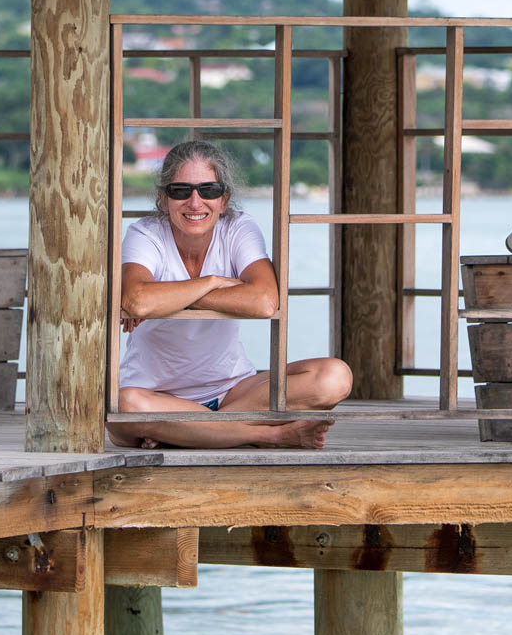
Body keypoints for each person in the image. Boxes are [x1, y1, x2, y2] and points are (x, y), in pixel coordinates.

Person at [106, 140, 352, 450]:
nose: (195, 203)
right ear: (163, 198)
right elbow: (139, 301)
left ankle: (187, 432)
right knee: (125, 406)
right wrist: (213, 282)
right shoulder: (145, 233)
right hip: (153, 397)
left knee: (334, 376)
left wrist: (171, 295)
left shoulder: (238, 227)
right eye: (181, 191)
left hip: (234, 391)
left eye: (208, 190)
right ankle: (268, 435)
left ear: (224, 200)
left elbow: (264, 302)